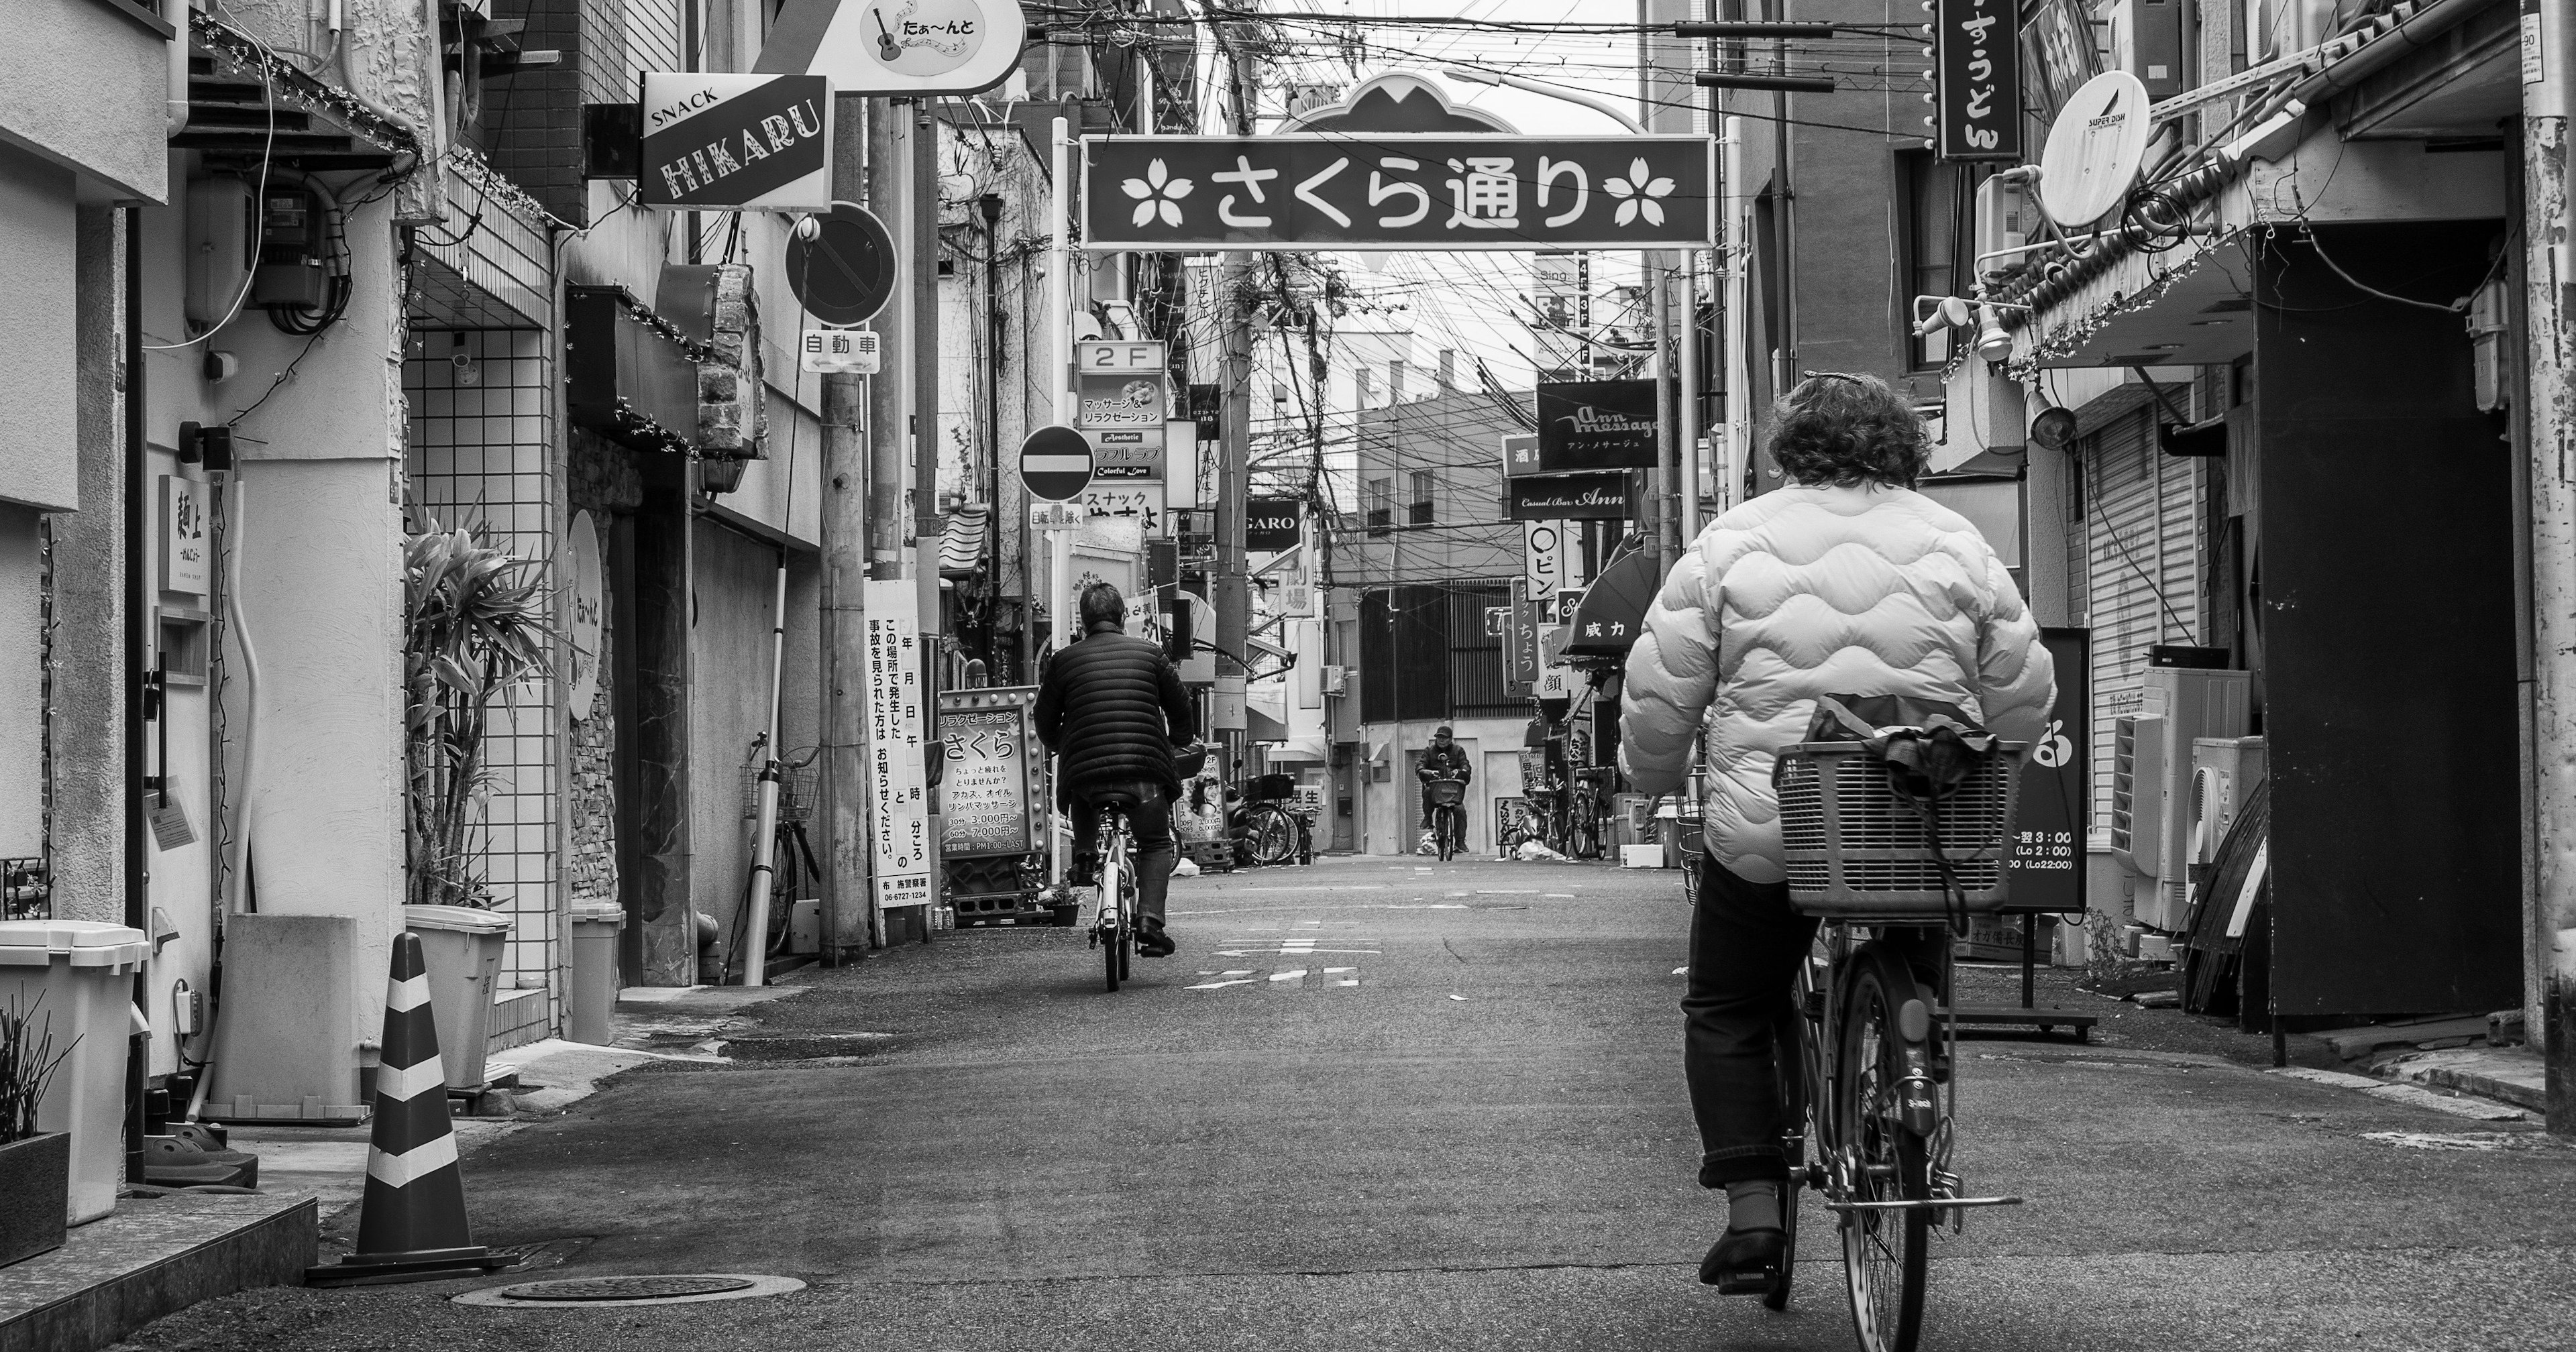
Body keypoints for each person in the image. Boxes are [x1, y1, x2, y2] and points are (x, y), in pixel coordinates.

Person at [1617, 372, 2055, 1289]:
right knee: (1918, 934)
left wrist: (1654, 778)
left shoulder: (1730, 542)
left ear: (1788, 450)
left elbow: (1663, 691)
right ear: (1901, 447)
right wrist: (2001, 747)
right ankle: (1915, 1086)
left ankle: (1751, 1216)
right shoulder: (1953, 539)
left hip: (1781, 820)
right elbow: (2022, 689)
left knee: (1730, 1005)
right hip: (1922, 819)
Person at [1034, 581, 1200, 958]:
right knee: (1156, 843)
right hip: (1144, 770)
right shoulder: (1152, 655)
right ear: (1123, 618)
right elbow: (1181, 706)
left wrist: (1063, 743)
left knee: (1083, 784)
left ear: (1083, 621)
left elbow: (1043, 718)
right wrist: (1179, 739)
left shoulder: (1064, 660)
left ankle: (1085, 856)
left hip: (1086, 771)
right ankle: (1150, 923)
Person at [1416, 724, 1471, 846]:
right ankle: (1428, 817)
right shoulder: (1429, 751)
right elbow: (1421, 765)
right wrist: (1427, 772)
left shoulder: (1458, 751)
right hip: (1435, 789)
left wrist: (1462, 772)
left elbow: (1465, 765)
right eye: (1439, 737)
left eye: (1445, 738)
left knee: (1460, 810)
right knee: (1427, 792)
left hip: (1453, 792)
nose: (1441, 740)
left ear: (1451, 739)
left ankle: (1460, 842)